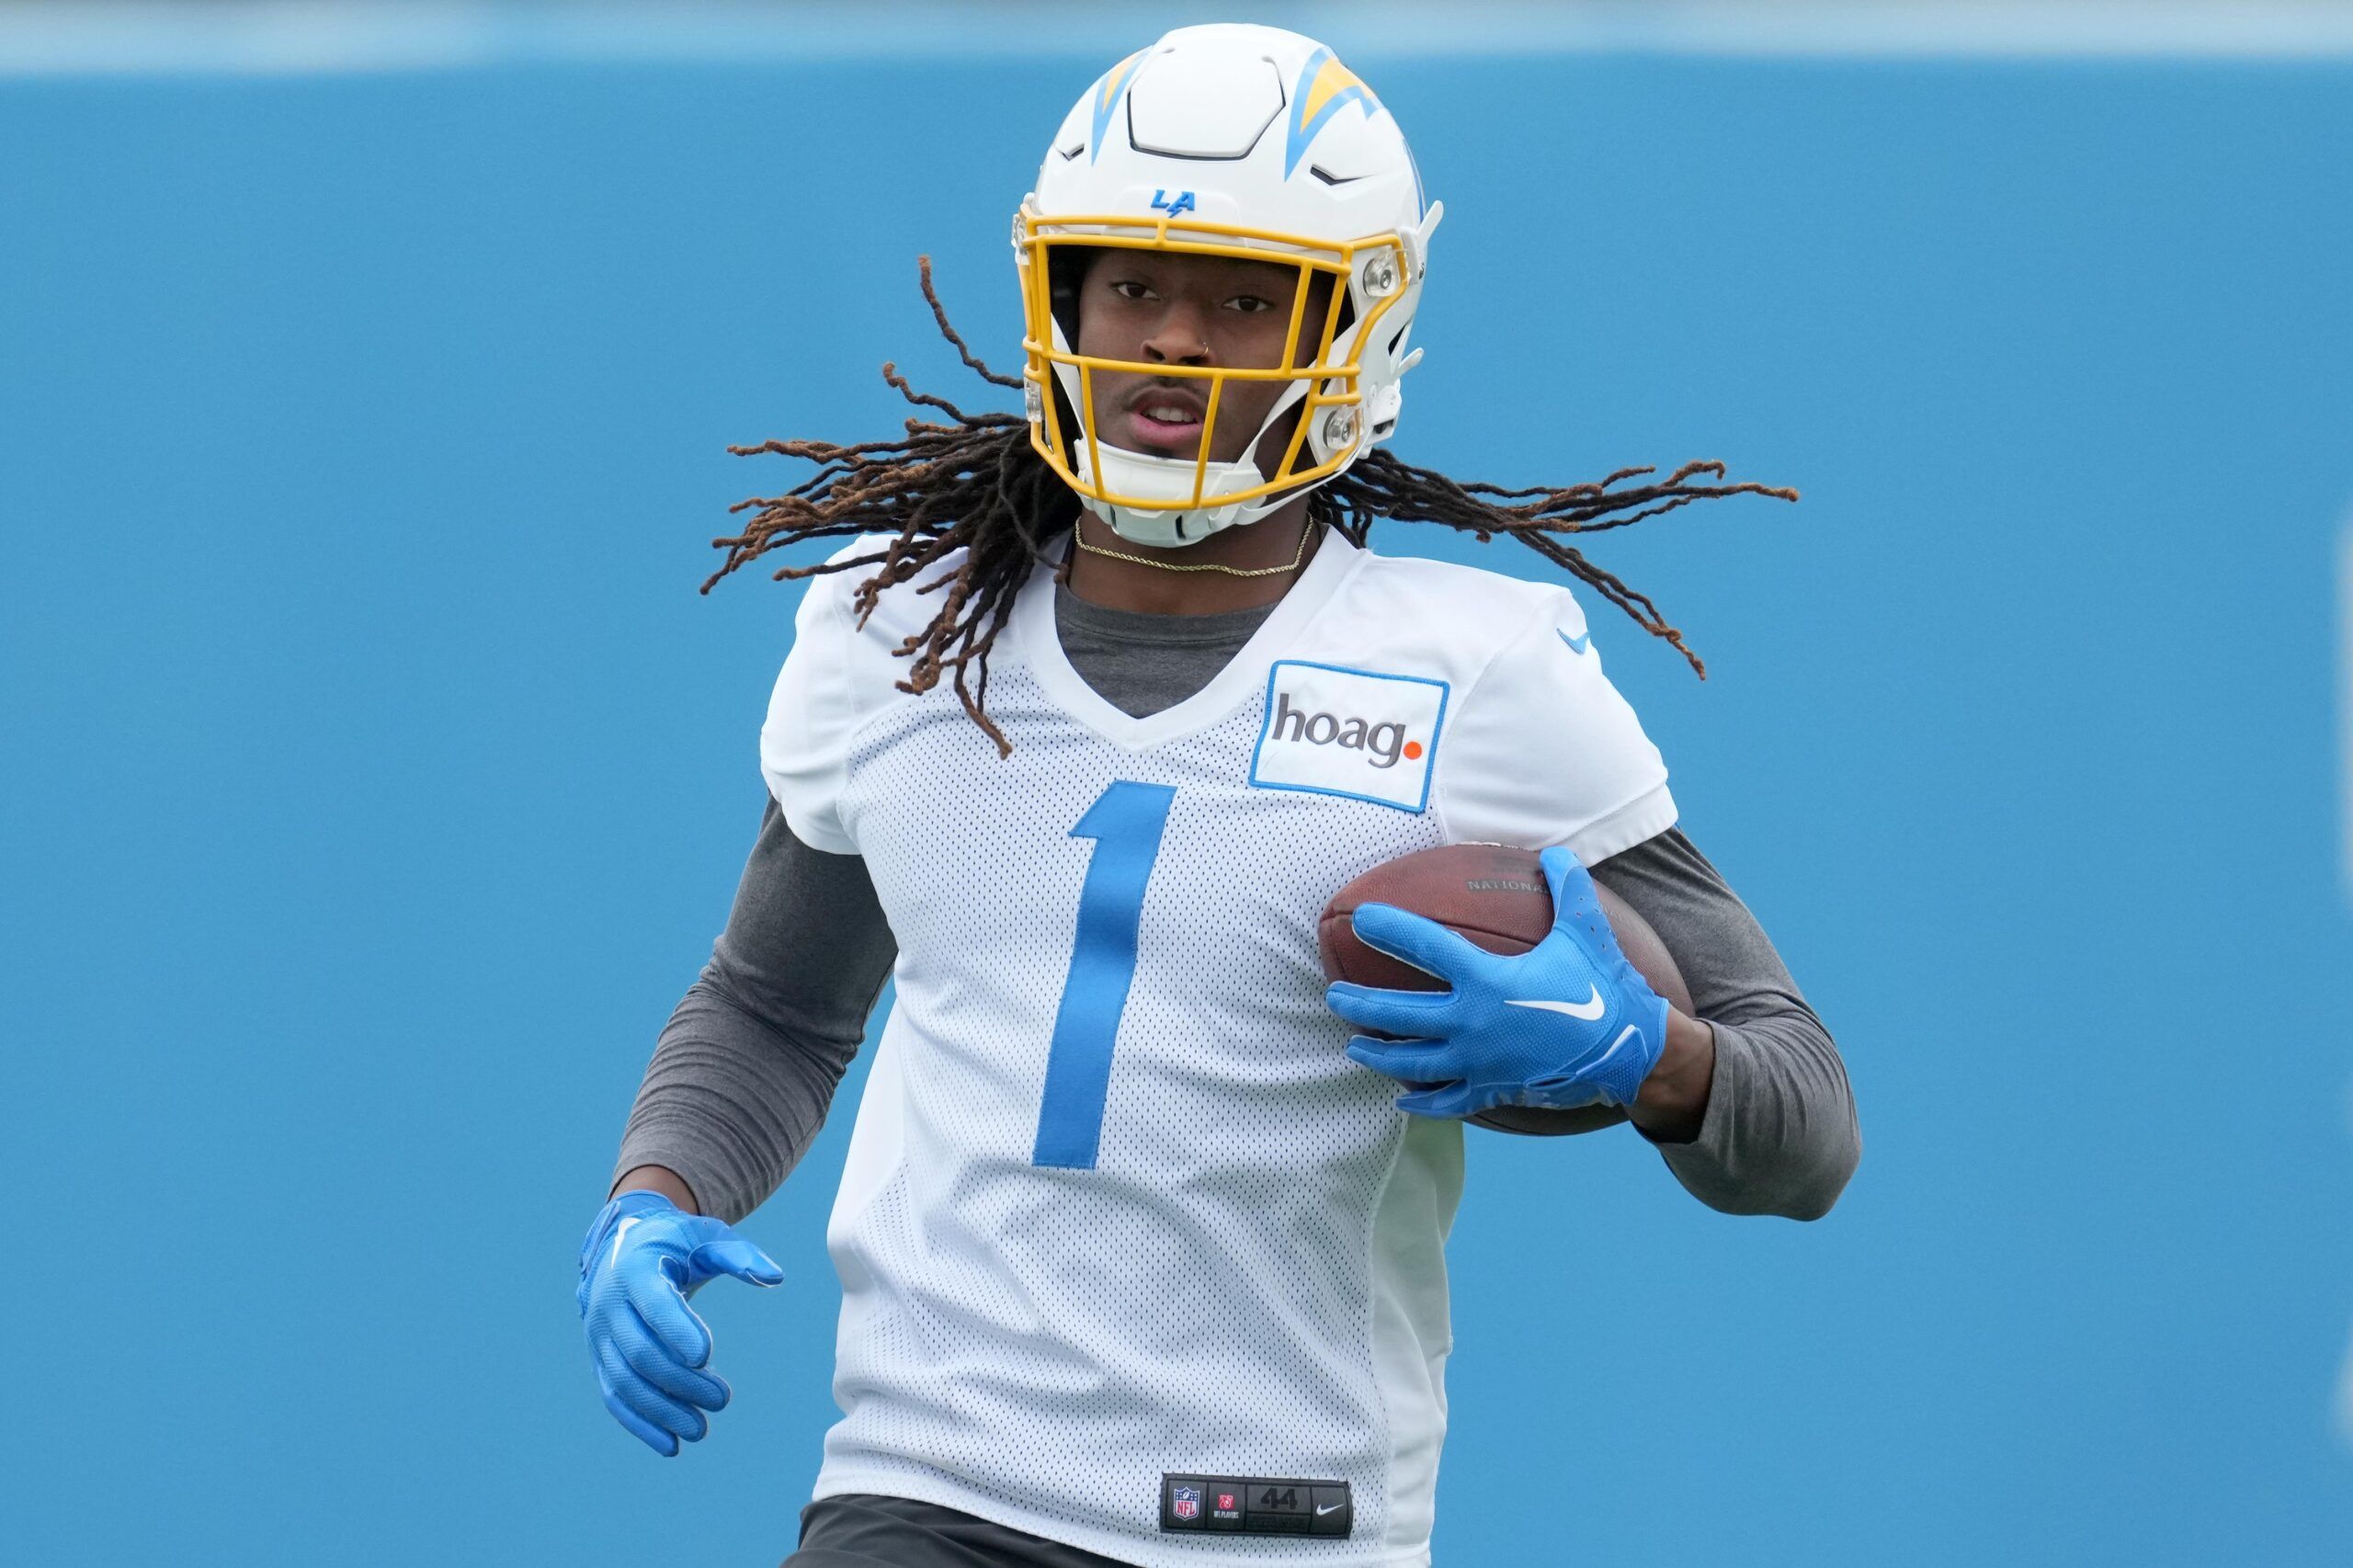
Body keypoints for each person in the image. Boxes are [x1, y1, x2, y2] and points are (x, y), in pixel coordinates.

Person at [576, 24, 1859, 1568]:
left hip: (1279, 1525)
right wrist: (653, 1196)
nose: (1174, 339)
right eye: (1133, 285)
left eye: (1245, 298)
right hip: (928, 1488)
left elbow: (1812, 1125)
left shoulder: (1481, 669)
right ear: (1060, 299)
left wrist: (1652, 1056)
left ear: (1355, 323)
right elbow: (775, 1006)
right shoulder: (904, 625)